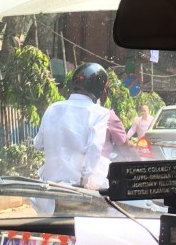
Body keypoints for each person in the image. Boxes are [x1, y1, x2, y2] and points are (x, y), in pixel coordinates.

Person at [33, 63, 126, 209]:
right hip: (80, 193)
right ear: (100, 90)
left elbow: (38, 144)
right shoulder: (100, 113)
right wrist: (85, 182)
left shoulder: (53, 108)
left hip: (50, 193)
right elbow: (94, 149)